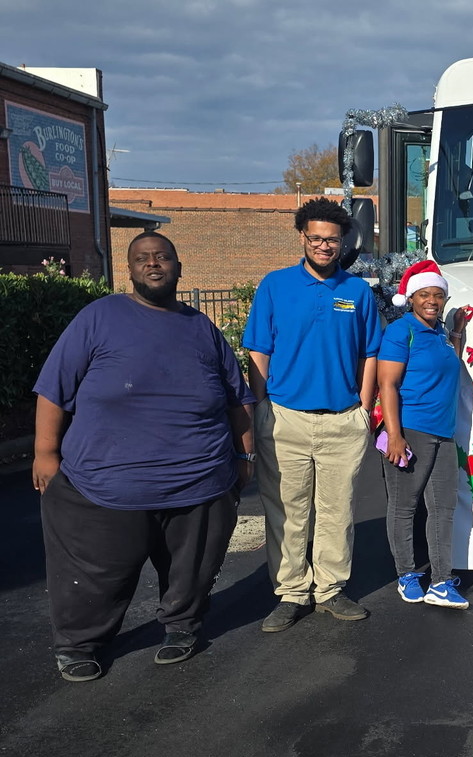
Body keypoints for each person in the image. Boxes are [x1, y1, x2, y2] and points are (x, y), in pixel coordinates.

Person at [32, 231, 255, 682]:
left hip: (200, 481)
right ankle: (80, 643)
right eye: (142, 259)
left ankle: (182, 627)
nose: (153, 264)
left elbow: (237, 398)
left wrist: (243, 456)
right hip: (105, 483)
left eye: (162, 257)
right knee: (96, 575)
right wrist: (44, 452)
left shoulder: (201, 328)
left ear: (178, 267)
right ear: (130, 270)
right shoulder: (99, 318)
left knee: (191, 570)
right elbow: (53, 390)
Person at [243, 197, 382, 633]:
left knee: (337, 511)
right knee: (286, 510)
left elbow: (370, 352)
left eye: (333, 241)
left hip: (343, 418)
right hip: (286, 419)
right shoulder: (275, 285)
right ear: (302, 237)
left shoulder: (358, 292)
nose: (325, 247)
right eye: (317, 239)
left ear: (344, 243)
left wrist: (363, 406)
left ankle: (330, 589)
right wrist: (263, 405)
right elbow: (258, 350)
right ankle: (291, 592)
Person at [377, 260, 471, 608]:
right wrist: (394, 434)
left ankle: (442, 582)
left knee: (443, 507)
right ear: (411, 298)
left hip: (443, 433)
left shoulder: (440, 334)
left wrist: (458, 331)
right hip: (411, 429)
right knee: (405, 507)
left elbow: (449, 365)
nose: (432, 301)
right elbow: (387, 384)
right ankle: (406, 574)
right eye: (424, 295)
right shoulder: (402, 331)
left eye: (438, 295)